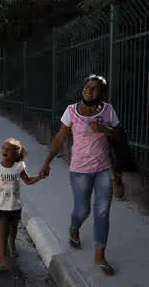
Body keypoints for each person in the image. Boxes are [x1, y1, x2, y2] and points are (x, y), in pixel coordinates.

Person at [39, 74, 120, 276]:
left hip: (103, 169)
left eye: (94, 88)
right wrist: (47, 162)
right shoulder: (71, 111)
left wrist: (104, 128)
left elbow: (119, 134)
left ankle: (100, 255)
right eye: (87, 87)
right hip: (80, 170)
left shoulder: (108, 110)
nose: (88, 90)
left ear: (101, 93)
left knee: (102, 212)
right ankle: (74, 227)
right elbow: (59, 138)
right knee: (82, 211)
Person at [0, 138, 44, 273]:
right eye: (4, 147)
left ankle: (12, 246)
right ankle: (3, 260)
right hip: (1, 206)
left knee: (13, 230)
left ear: (16, 154)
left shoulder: (19, 167)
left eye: (9, 149)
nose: (4, 150)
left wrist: (40, 177)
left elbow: (28, 181)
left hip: (15, 206)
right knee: (3, 232)